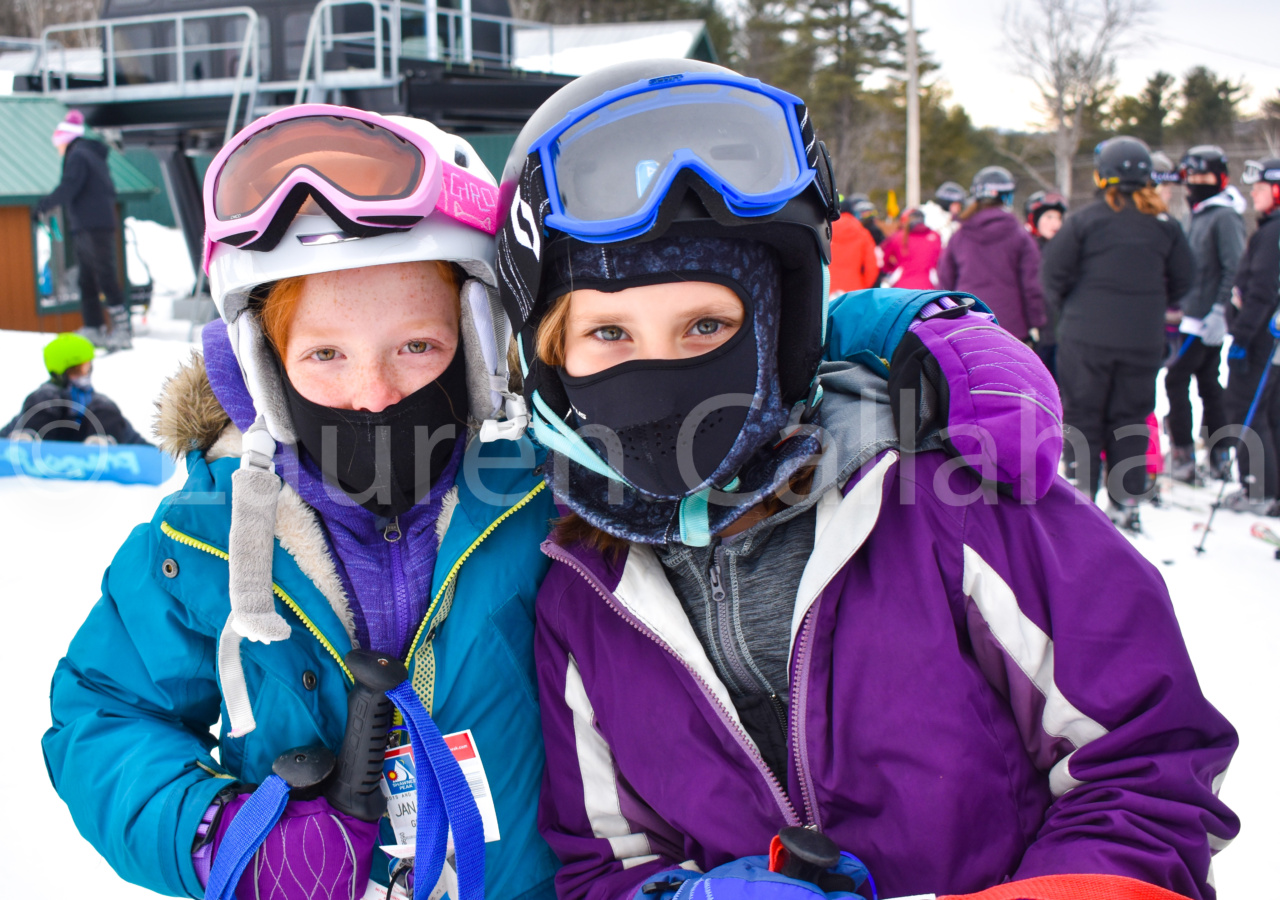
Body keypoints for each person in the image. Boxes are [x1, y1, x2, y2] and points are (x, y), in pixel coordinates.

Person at [495, 61, 1237, 900]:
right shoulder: (580, 596)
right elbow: (604, 862)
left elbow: (1148, 768)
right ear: (553, 366)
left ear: (781, 336)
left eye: (707, 325)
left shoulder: (949, 501)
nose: (662, 370)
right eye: (609, 335)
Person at [42, 106, 560, 900]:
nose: (374, 394)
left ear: (479, 345)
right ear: (264, 368)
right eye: (325, 354)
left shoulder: (543, 506)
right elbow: (103, 713)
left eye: (417, 346)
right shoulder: (205, 540)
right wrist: (223, 839)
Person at [1041, 137, 1195, 528]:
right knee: (1130, 419)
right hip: (1142, 340)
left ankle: (1079, 504)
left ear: (1102, 175)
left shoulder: (1084, 221)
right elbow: (1186, 280)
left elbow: (1051, 276)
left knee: (1084, 416)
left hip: (1086, 337)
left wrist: (1074, 307)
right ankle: (1126, 503)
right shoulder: (1166, 226)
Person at [1165, 145, 1247, 484]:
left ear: (1220, 178)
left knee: (1175, 379)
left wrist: (1219, 310)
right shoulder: (1197, 213)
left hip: (1205, 321)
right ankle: (1218, 452)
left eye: (1204, 177)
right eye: (1191, 177)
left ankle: (1186, 452)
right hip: (1190, 317)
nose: (1196, 183)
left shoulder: (1224, 216)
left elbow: (1234, 267)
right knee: (1209, 385)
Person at [33, 110, 132, 352]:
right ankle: (94, 326)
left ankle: (122, 330)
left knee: (103, 276)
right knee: (86, 278)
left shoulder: (78, 155)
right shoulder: (90, 154)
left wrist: (44, 206)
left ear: (65, 139)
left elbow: (70, 186)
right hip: (91, 224)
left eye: (58, 142)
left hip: (93, 225)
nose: (57, 148)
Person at [1221, 157, 1280, 513]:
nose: (1253, 194)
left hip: (1260, 337)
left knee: (1247, 409)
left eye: (1258, 189)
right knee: (1270, 411)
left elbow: (1262, 290)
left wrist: (1242, 336)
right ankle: (1269, 488)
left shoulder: (1273, 231)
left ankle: (1257, 489)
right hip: (1266, 336)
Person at [937, 166, 1046, 344]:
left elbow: (945, 282)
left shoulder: (960, 235)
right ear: (1007, 196)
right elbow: (1032, 285)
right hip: (1012, 329)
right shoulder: (1019, 234)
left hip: (968, 325)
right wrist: (1037, 322)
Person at [0, 332, 149, 444]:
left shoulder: (98, 402)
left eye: (87, 368)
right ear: (59, 374)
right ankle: (27, 440)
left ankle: (103, 443)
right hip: (46, 440)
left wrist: (153, 454)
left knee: (105, 407)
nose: (85, 375)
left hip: (88, 441)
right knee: (43, 400)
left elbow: (128, 433)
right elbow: (12, 426)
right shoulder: (44, 397)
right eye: (77, 370)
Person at [1024, 190, 1068, 377]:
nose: (1055, 224)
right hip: (1037, 332)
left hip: (1063, 332)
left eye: (1058, 218)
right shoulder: (1027, 248)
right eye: (1049, 217)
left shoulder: (1066, 249)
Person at [827, 196, 879, 293]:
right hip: (854, 290)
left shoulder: (826, 231)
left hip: (827, 288)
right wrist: (864, 287)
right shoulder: (863, 233)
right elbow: (871, 266)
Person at [879, 207, 940, 289]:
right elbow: (940, 261)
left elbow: (885, 258)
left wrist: (893, 268)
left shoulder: (898, 236)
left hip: (902, 285)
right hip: (928, 285)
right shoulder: (935, 236)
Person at [921, 180, 966, 245]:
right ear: (948, 202)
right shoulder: (931, 216)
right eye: (957, 204)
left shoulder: (947, 219)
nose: (959, 209)